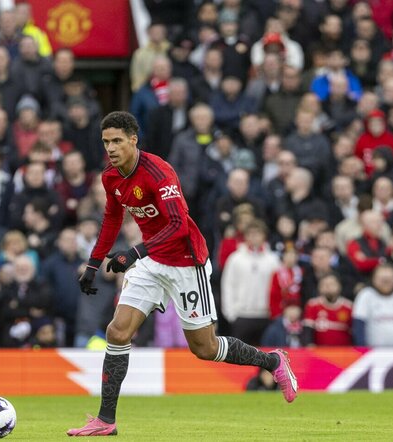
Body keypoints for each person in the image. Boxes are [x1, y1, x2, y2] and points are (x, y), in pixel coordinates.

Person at [68, 112, 298, 437]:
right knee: (118, 331)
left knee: (203, 348)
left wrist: (134, 253)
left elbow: (178, 226)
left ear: (134, 139)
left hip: (186, 262)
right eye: (106, 142)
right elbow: (111, 219)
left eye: (117, 140)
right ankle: (106, 420)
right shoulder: (111, 178)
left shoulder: (159, 171)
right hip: (151, 262)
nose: (111, 148)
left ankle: (273, 362)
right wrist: (93, 264)